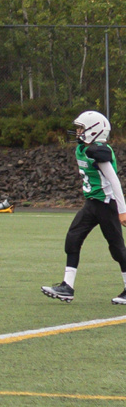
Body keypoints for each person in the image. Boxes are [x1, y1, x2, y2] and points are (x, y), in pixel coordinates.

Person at [41, 111, 126, 304]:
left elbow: (115, 182)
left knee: (117, 248)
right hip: (92, 203)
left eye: (81, 128)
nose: (78, 131)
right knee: (73, 238)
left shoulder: (99, 152)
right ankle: (67, 287)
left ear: (94, 131)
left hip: (107, 204)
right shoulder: (82, 149)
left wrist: (122, 211)